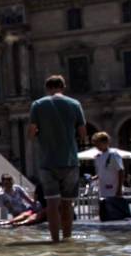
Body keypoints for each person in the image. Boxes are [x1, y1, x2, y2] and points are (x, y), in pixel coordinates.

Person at [27, 75, 87, 243]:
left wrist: (42, 135)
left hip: (47, 162)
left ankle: (55, 240)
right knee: (67, 204)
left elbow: (31, 133)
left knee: (52, 205)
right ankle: (67, 238)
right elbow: (83, 134)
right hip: (69, 161)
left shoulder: (38, 105)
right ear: (63, 86)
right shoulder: (75, 104)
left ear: (47, 88)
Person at [92, 132, 125, 200]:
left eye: (98, 143)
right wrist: (94, 177)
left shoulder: (113, 154)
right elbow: (101, 172)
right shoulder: (98, 157)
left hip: (114, 190)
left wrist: (119, 189)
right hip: (102, 191)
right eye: (95, 144)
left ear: (106, 142)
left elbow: (121, 171)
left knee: (114, 209)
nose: (96, 146)